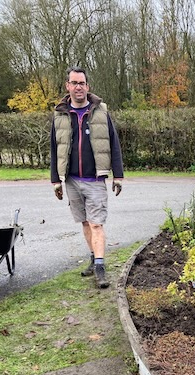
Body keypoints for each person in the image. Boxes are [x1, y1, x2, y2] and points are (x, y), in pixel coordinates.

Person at [50, 66, 124, 289]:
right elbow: (55, 148)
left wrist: (118, 175)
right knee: (84, 222)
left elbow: (114, 144)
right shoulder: (60, 115)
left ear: (87, 86)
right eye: (74, 83)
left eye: (82, 83)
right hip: (71, 180)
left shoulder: (100, 112)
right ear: (68, 86)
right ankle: (93, 259)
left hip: (95, 180)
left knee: (96, 224)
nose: (78, 87)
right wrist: (56, 179)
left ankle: (101, 268)